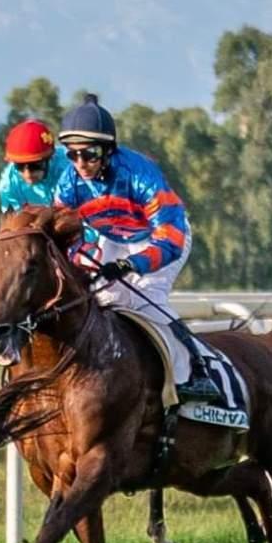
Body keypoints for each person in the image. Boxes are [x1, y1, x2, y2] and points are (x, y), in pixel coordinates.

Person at [50, 94, 222, 404]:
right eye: (72, 155)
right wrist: (81, 258)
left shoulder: (140, 175)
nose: (81, 164)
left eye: (89, 154)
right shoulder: (68, 183)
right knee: (102, 300)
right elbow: (66, 239)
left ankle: (197, 370)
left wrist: (132, 265)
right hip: (114, 238)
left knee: (147, 300)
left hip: (163, 237)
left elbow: (170, 238)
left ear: (108, 150)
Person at [0, 119, 69, 213]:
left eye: (34, 166)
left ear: (50, 158)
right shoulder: (8, 186)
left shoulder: (70, 164)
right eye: (20, 166)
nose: (27, 174)